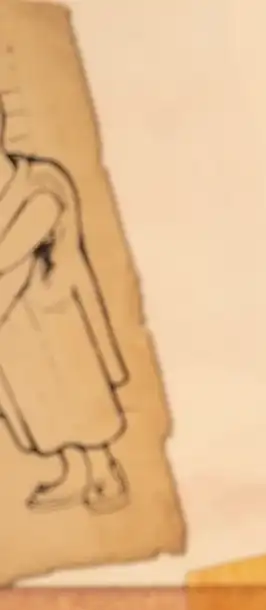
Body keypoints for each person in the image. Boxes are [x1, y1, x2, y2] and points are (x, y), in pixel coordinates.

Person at [0, 99, 131, 514]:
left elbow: (13, 254)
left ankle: (104, 470)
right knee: (41, 406)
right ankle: (73, 473)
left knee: (76, 396)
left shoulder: (41, 183)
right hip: (14, 331)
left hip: (59, 320)